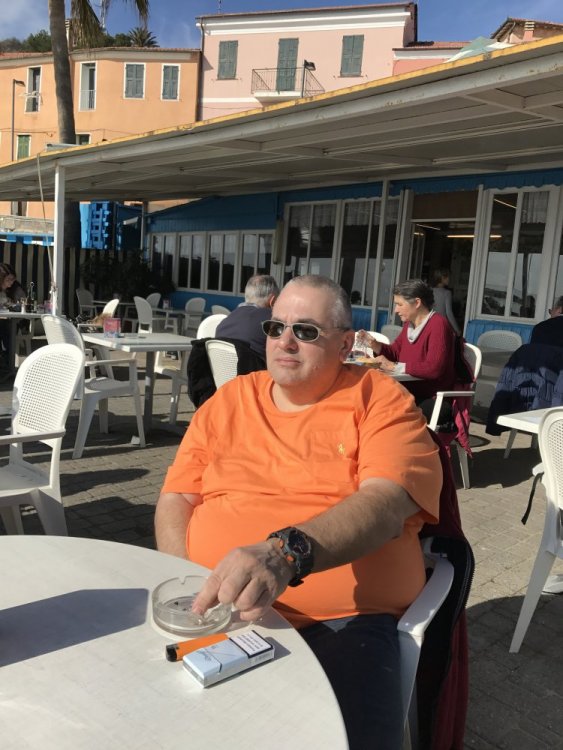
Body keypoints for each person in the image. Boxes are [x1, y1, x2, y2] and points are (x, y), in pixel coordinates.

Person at [155, 274, 442, 749]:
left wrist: (285, 555)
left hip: (340, 620)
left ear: (345, 344)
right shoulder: (231, 399)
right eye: (275, 328)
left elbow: (386, 503)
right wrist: (187, 582)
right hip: (216, 610)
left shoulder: (380, 399)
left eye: (306, 331)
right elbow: (177, 497)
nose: (285, 342)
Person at [358, 278, 458, 423]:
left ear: (417, 303)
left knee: (380, 408)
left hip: (432, 398)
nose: (396, 310)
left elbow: (434, 368)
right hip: (407, 392)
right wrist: (374, 344)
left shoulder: (438, 324)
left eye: (399, 304)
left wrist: (394, 366)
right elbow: (395, 352)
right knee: (365, 400)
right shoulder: (409, 325)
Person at [215, 274, 279, 360]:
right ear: (272, 301)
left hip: (223, 368)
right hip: (255, 368)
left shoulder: (223, 324)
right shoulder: (271, 321)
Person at [431, 268, 460, 335]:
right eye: (447, 277)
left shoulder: (429, 290)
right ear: (442, 278)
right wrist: (457, 330)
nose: (449, 279)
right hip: (441, 325)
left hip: (430, 323)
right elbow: (449, 313)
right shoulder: (447, 293)